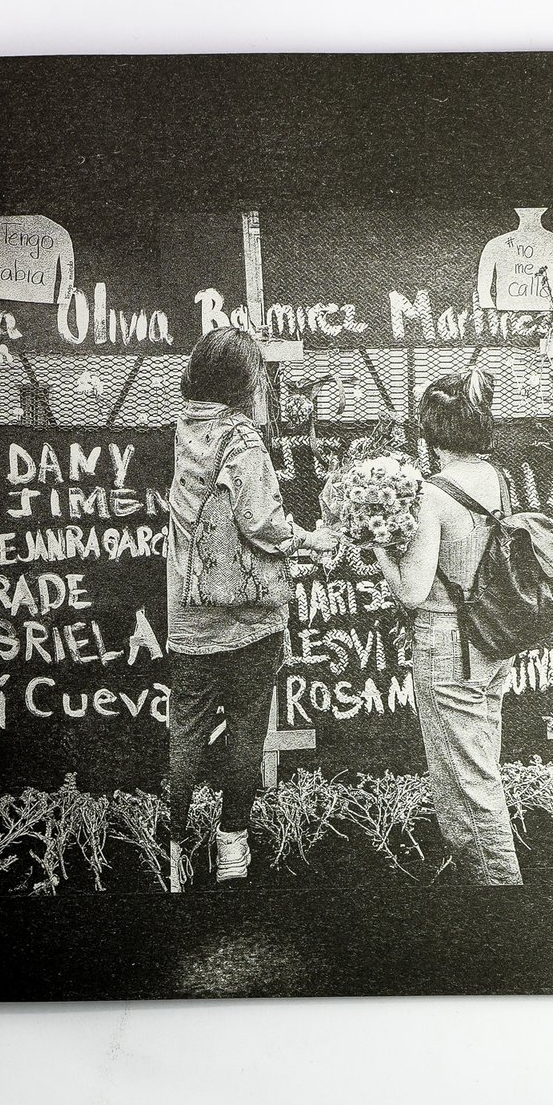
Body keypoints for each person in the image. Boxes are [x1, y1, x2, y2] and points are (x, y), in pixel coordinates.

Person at [165, 328, 338, 888]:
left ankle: (172, 849)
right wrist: (311, 538)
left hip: (190, 616)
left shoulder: (185, 429)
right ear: (245, 382)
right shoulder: (242, 440)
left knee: (185, 732)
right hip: (249, 617)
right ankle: (232, 845)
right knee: (245, 730)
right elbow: (261, 523)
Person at [371, 369, 522, 885]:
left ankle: (502, 900)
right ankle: (483, 892)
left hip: (447, 648)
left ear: (432, 431)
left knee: (470, 791)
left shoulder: (433, 496)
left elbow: (412, 592)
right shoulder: (496, 477)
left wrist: (378, 548)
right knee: (478, 774)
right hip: (491, 642)